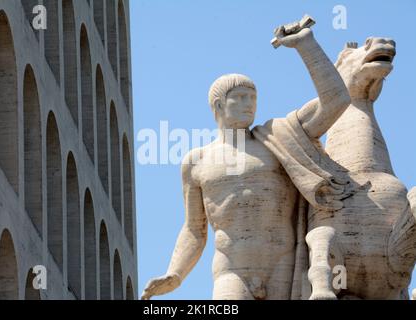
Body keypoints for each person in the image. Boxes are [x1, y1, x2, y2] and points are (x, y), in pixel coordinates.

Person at [141, 19, 351, 300]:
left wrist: (306, 45)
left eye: (252, 97)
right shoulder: (197, 161)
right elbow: (194, 228)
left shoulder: (277, 137)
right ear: (218, 105)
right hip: (231, 270)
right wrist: (175, 274)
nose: (248, 104)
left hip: (283, 265)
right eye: (238, 97)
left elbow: (336, 100)